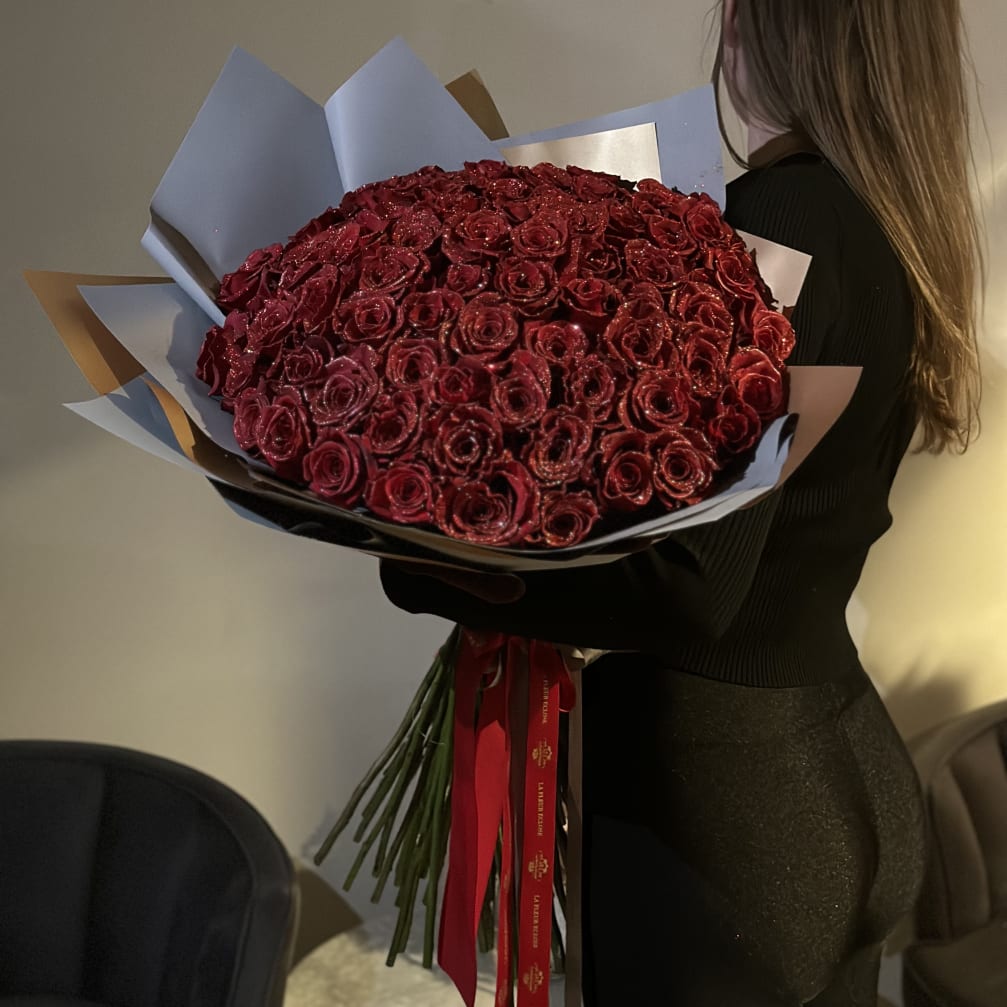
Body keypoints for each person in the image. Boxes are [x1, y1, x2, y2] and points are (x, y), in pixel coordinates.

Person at [379, 0, 985, 1003]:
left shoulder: (782, 220)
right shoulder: (895, 220)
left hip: (722, 814)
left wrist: (442, 568)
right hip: (840, 763)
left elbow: (694, 586)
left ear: (780, 32)